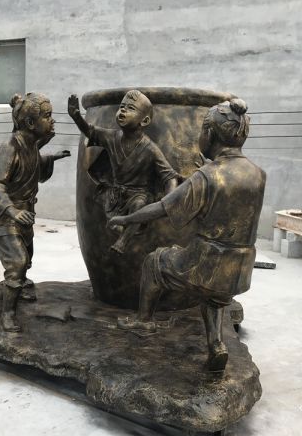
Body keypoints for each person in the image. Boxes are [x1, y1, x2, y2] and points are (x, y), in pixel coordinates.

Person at [109, 98, 266, 372]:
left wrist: (126, 218)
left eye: (202, 130)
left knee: (155, 262)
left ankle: (144, 321)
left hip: (206, 263)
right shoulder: (257, 174)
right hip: (239, 270)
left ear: (210, 133)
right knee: (216, 296)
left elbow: (162, 207)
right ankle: (216, 344)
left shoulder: (207, 176)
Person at [0, 92, 70, 332]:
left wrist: (51, 159)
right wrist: (12, 210)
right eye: (47, 116)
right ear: (31, 123)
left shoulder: (31, 145)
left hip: (25, 214)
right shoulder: (9, 147)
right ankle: (8, 314)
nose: (52, 120)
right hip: (6, 216)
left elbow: (36, 171)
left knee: (27, 257)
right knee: (18, 261)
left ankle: (18, 285)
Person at [68, 90, 178, 253]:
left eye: (131, 108)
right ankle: (119, 226)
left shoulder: (150, 149)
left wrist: (168, 201)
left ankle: (123, 241)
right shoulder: (112, 137)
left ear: (145, 120)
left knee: (139, 205)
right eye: (122, 107)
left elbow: (169, 176)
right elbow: (90, 131)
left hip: (138, 193)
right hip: (116, 193)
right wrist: (77, 117)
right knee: (109, 213)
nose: (123, 111)